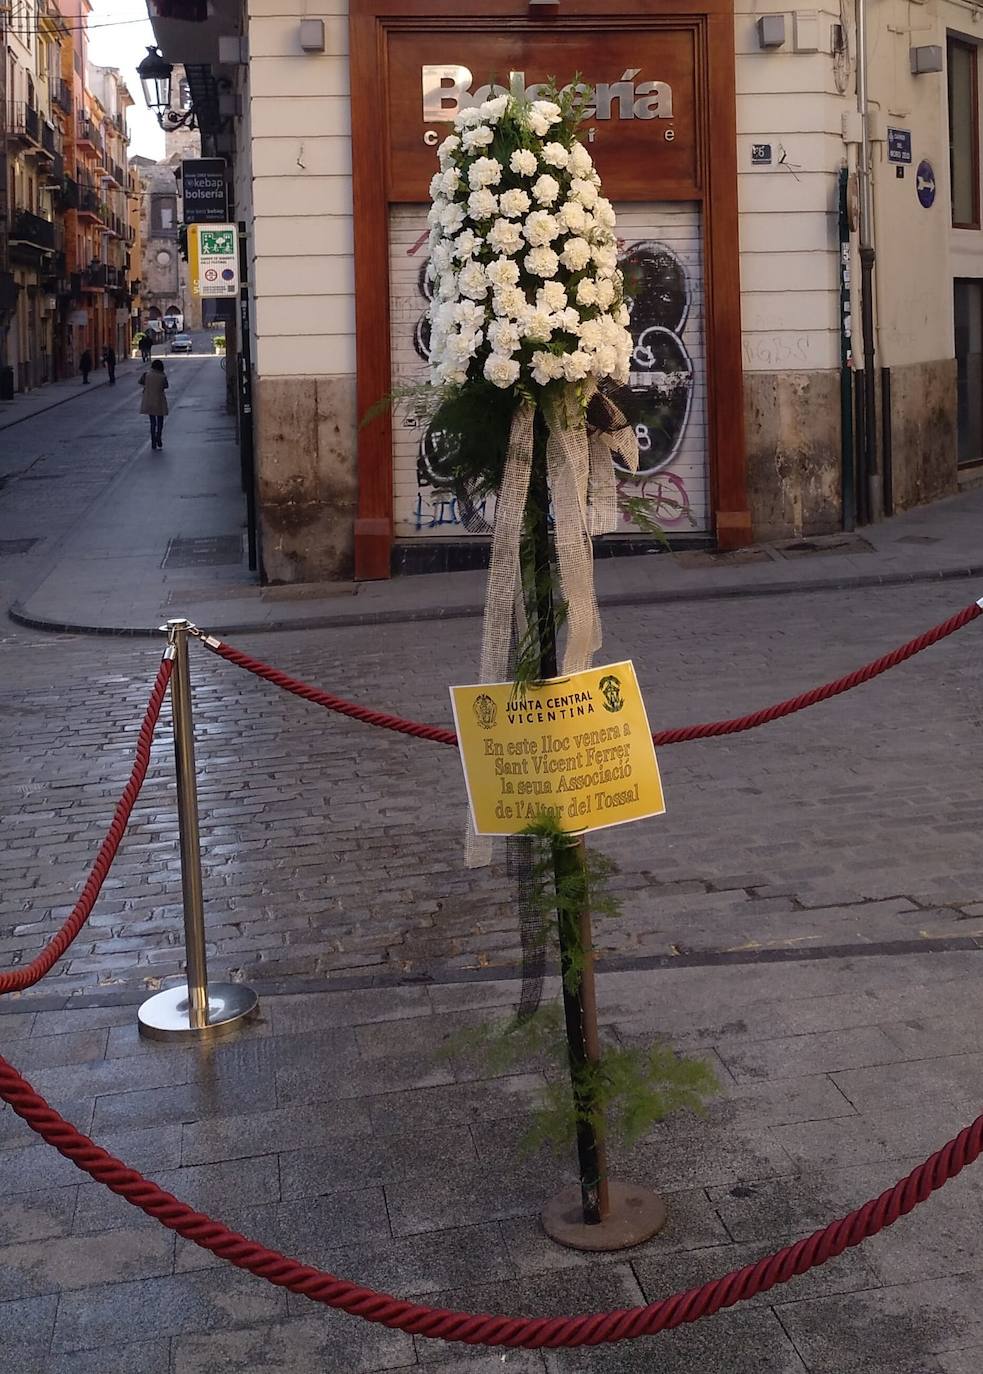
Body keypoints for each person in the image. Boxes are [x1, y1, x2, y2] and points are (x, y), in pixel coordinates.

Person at [140, 358, 169, 449]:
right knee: (160, 421)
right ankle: (158, 437)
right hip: (159, 400)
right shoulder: (162, 376)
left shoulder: (146, 375)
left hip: (149, 400)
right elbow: (166, 386)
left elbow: (140, 382)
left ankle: (153, 441)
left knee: (152, 422)